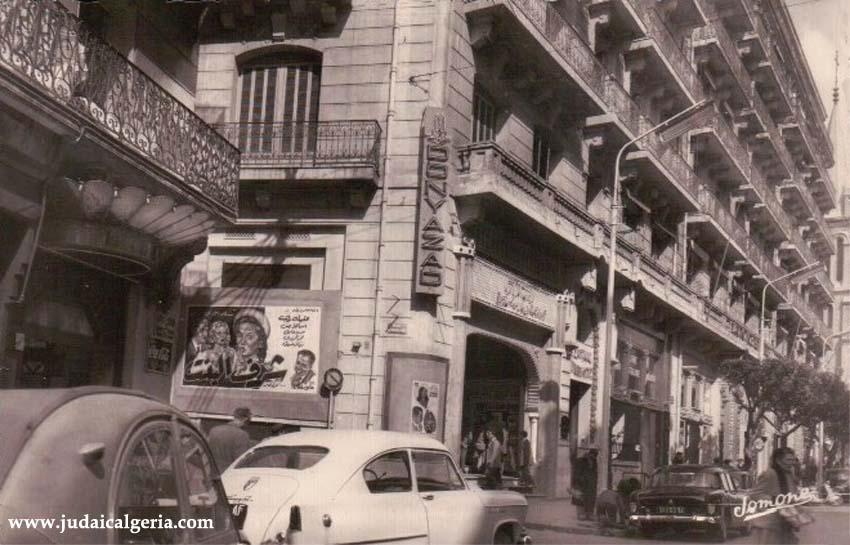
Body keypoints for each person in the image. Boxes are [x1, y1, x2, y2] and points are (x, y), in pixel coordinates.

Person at [750, 447, 802, 544]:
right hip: (769, 524)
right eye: (788, 460)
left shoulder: (789, 475)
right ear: (778, 460)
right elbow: (755, 494)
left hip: (785, 523)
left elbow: (791, 498)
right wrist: (774, 500)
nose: (791, 463)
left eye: (793, 460)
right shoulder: (769, 474)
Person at [207, 407, 252, 471]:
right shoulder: (242, 435)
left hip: (212, 471)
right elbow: (241, 461)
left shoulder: (214, 430)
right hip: (228, 473)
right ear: (245, 419)